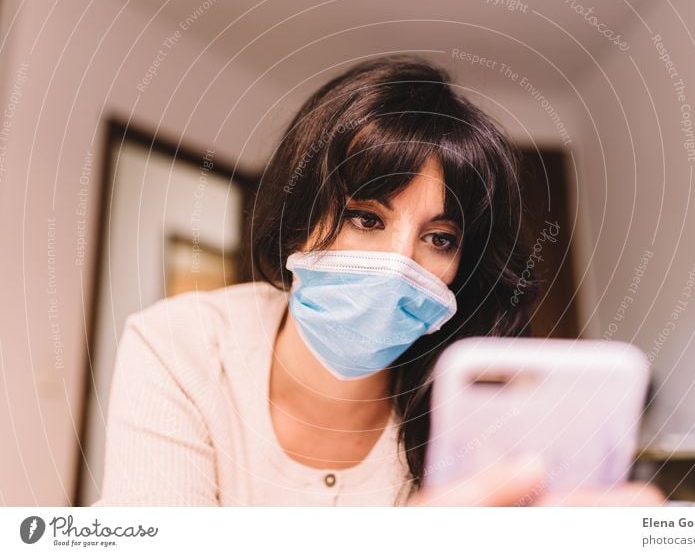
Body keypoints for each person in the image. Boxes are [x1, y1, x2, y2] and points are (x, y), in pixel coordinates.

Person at [92, 55, 664, 507]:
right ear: (299, 218)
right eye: (365, 218)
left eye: (440, 239)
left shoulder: (470, 409)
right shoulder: (179, 346)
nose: (399, 264)